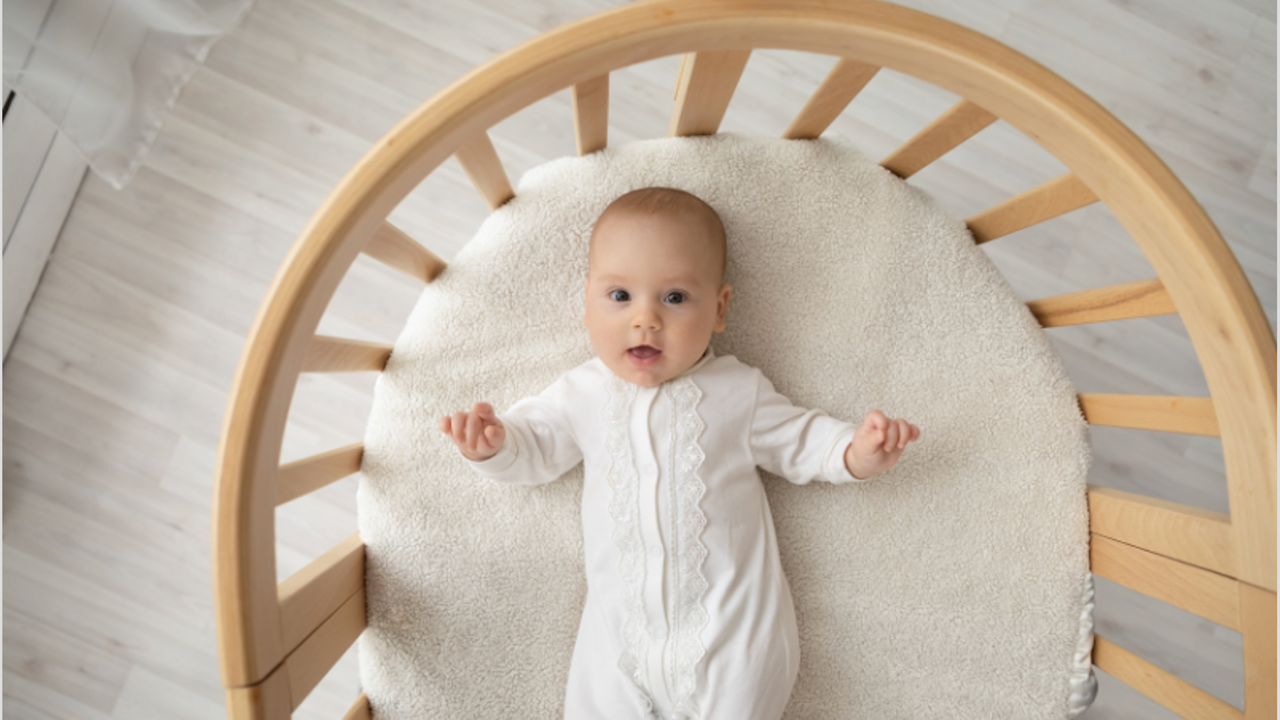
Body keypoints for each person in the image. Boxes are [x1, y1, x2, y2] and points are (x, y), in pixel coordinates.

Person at [440, 187, 920, 720]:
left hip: (733, 632)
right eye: (620, 296)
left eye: (674, 298)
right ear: (586, 302)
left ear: (718, 309)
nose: (645, 319)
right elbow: (536, 449)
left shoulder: (739, 390)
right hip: (619, 639)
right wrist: (494, 445)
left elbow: (801, 440)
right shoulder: (580, 393)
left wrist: (854, 451)